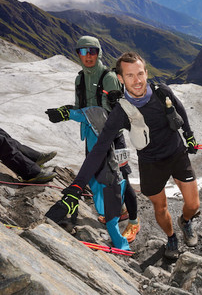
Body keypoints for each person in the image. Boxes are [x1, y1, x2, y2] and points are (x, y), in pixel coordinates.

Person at [46, 52, 200, 259]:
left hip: (176, 153)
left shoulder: (161, 92)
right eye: (130, 76)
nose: (137, 81)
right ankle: (171, 237)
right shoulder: (120, 112)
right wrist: (76, 186)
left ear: (146, 72)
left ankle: (186, 221)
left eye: (140, 74)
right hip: (151, 163)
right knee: (160, 207)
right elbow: (99, 149)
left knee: (193, 205)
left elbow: (180, 109)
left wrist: (189, 135)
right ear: (120, 79)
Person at [45, 36, 139, 242]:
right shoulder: (80, 78)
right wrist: (67, 111)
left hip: (114, 139)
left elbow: (113, 113)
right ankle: (117, 209)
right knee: (99, 177)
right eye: (83, 51)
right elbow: (81, 108)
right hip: (92, 136)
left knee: (123, 179)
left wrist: (69, 114)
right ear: (78, 54)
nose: (88, 56)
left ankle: (133, 221)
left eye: (92, 51)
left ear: (99, 53)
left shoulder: (109, 77)